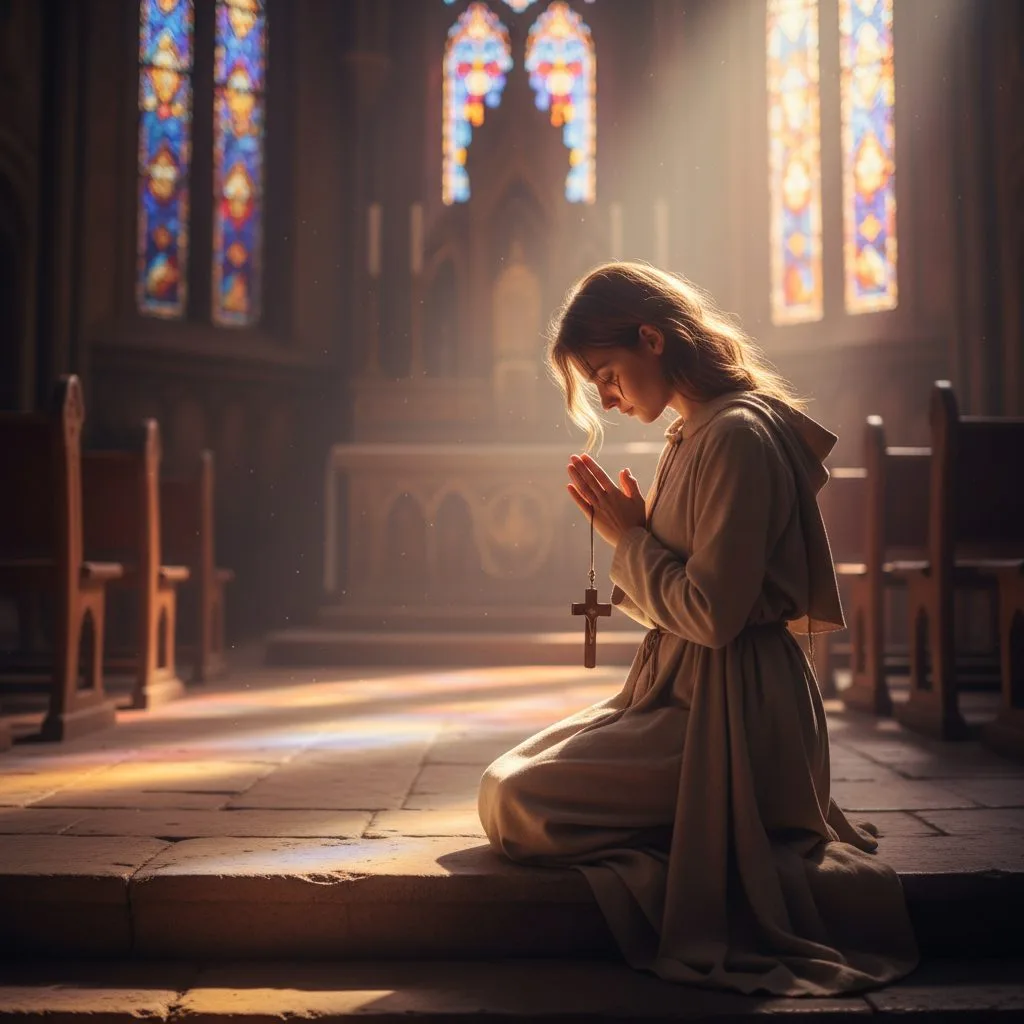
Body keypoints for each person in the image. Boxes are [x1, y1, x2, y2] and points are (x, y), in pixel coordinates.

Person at [477, 262, 919, 997]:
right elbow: (679, 602)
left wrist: (631, 541)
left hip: (737, 715)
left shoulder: (735, 436)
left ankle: (710, 842)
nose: (609, 400)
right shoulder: (693, 432)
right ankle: (694, 831)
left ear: (652, 337)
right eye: (597, 388)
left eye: (608, 375)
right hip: (685, 692)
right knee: (505, 782)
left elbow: (712, 617)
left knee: (520, 802)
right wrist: (636, 536)